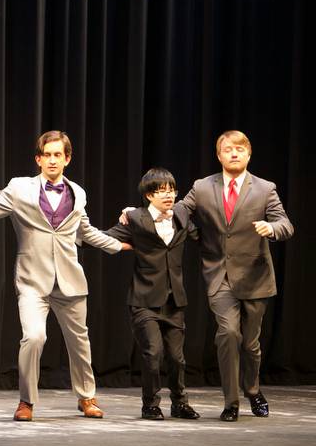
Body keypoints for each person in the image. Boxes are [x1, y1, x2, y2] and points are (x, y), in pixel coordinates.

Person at [0, 130, 128, 421]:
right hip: (32, 280)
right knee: (34, 337)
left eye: (58, 155)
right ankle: (26, 401)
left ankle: (86, 397)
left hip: (70, 280)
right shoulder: (20, 188)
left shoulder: (78, 192)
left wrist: (117, 245)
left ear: (67, 158)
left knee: (80, 342)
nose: (52, 160)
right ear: (38, 159)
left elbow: (85, 231)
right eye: (47, 155)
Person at [172, 131, 293, 421]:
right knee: (228, 333)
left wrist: (272, 228)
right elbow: (179, 210)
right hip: (219, 275)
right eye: (228, 149)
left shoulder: (264, 189)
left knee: (250, 343)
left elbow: (285, 224)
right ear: (219, 155)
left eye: (240, 149)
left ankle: (252, 389)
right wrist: (143, 212)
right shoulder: (202, 187)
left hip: (255, 276)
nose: (234, 153)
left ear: (248, 154)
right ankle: (231, 401)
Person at [105, 168, 200, 420]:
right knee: (153, 354)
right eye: (162, 191)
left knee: (177, 359)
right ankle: (150, 404)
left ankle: (180, 403)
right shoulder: (135, 218)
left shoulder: (181, 213)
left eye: (172, 190)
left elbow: (199, 235)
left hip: (174, 301)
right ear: (149, 194)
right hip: (144, 300)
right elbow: (104, 237)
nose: (169, 195)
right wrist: (115, 244)